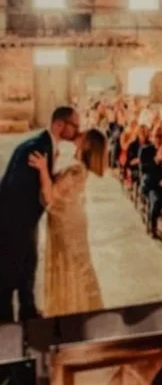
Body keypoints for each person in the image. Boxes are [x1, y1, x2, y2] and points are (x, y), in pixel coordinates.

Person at [0, 106, 80, 322]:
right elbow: (15, 190)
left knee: (28, 267)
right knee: (8, 276)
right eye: (75, 126)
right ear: (59, 125)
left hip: (27, 220)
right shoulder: (35, 149)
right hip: (14, 222)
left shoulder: (46, 146)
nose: (78, 130)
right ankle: (6, 326)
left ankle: (28, 312)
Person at [28, 128, 107, 317]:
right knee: (73, 266)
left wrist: (42, 169)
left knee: (70, 267)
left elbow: (50, 196)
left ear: (86, 144)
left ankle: (70, 312)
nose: (79, 133)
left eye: (83, 134)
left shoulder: (76, 170)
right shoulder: (77, 167)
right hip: (69, 220)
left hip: (67, 224)